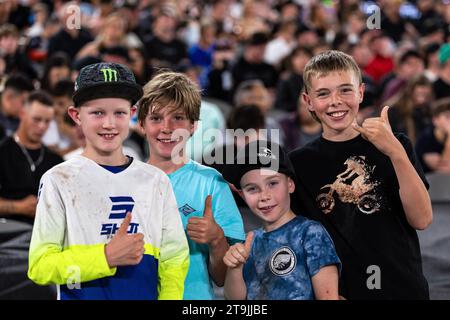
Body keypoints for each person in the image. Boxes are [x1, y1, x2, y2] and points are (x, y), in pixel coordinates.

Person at [27, 62, 189, 300]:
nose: (109, 123)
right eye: (97, 113)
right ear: (76, 115)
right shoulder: (57, 180)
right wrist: (106, 257)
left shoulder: (156, 181)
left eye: (119, 113)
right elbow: (40, 266)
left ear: (132, 115)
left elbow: (174, 259)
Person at [288, 50, 432, 299]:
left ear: (361, 92)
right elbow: (301, 241)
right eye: (323, 93)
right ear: (308, 100)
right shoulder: (298, 163)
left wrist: (396, 153)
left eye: (345, 90)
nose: (335, 101)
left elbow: (421, 219)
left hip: (403, 288)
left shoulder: (396, 144)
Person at [138, 71, 245, 299]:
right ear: (141, 124)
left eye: (177, 118)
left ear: (193, 125)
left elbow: (222, 278)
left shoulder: (212, 182)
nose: (167, 128)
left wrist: (217, 240)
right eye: (156, 118)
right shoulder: (124, 182)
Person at [221, 140, 340, 300]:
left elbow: (328, 297)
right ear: (242, 195)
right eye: (252, 189)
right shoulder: (249, 242)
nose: (264, 196)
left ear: (290, 184)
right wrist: (234, 268)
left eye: (272, 183)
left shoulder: (310, 233)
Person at [0, 90, 63, 299]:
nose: (42, 127)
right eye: (37, 120)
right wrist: (17, 207)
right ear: (22, 114)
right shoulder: (4, 151)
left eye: (47, 121)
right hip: (7, 231)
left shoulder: (56, 161)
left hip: (43, 235)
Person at [415, 98, 450, 174]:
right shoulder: (426, 139)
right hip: (428, 181)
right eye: (447, 116)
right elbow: (443, 170)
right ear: (435, 120)